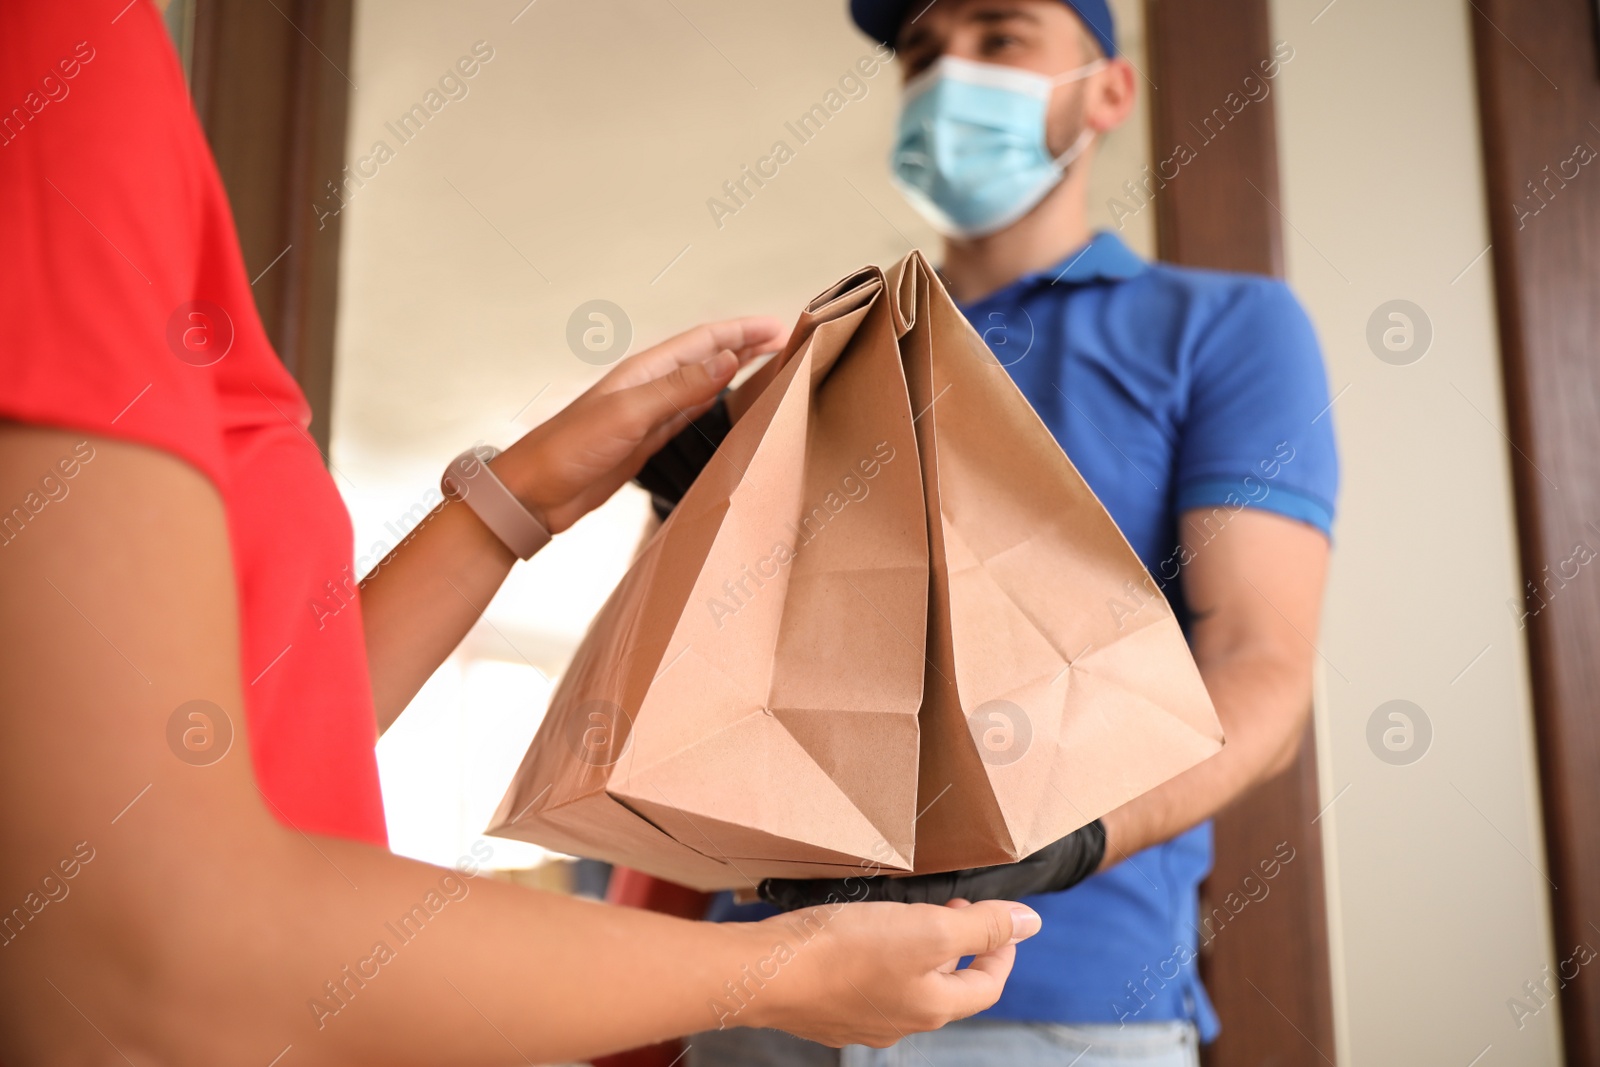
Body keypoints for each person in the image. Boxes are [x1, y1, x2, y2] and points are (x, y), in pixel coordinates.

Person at [0, 2, 1044, 1062]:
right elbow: (149, 954)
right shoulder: (50, 54)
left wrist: (520, 501)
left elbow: (247, 742)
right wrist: (778, 971)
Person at [656, 1, 1340, 1064]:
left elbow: (1259, 665)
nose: (948, 74)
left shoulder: (1222, 328)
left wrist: (1077, 841)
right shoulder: (825, 359)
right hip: (769, 982)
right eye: (921, 54)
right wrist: (680, 513)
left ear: (1108, 90)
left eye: (999, 36)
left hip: (1052, 999)